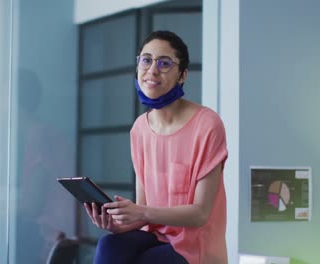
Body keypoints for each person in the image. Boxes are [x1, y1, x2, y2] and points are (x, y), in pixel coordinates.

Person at [84, 30, 228, 264]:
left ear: (182, 75)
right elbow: (144, 209)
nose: (152, 70)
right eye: (146, 60)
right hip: (156, 236)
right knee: (109, 246)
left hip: (195, 247)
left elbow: (200, 214)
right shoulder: (140, 128)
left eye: (164, 63)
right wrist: (119, 224)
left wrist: (141, 212)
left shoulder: (207, 125)